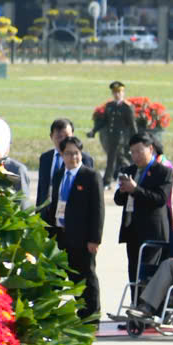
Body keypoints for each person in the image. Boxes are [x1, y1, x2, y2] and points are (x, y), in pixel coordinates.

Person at [49, 135, 104, 320]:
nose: (73, 158)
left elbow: (98, 210)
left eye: (76, 153)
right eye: (68, 154)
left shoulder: (90, 176)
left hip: (82, 239)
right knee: (57, 278)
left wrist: (94, 239)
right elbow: (55, 204)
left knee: (85, 278)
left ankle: (90, 317)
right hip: (61, 235)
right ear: (62, 155)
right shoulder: (58, 176)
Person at [111, 137, 171, 306]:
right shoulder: (129, 170)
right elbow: (118, 199)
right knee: (133, 271)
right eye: (133, 152)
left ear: (150, 149)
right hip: (132, 230)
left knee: (147, 271)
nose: (135, 156)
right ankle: (134, 308)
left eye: (139, 151)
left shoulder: (163, 171)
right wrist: (124, 190)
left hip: (153, 231)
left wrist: (135, 190)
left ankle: (147, 310)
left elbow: (160, 198)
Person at [88, 81, 139, 169]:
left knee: (112, 158)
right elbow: (104, 121)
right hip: (111, 137)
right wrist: (94, 130)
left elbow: (132, 124)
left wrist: (137, 138)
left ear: (123, 93)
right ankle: (129, 170)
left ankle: (108, 179)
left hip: (121, 138)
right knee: (118, 157)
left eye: (119, 92)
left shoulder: (127, 107)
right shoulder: (110, 105)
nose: (117, 95)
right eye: (114, 92)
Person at [34, 119, 78, 215]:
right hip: (47, 215)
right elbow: (41, 190)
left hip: (71, 216)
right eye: (59, 137)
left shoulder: (82, 160)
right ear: (51, 137)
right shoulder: (45, 158)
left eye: (67, 136)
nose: (63, 140)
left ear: (73, 135)